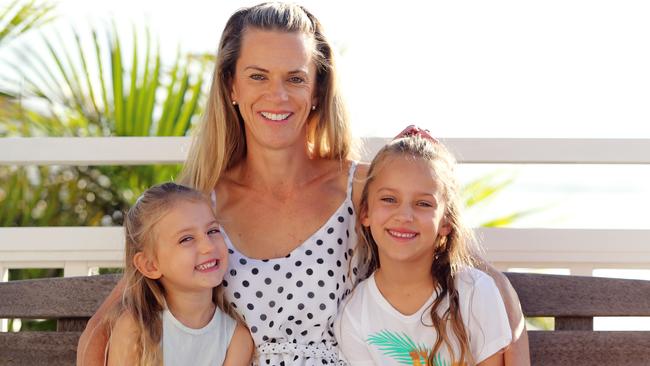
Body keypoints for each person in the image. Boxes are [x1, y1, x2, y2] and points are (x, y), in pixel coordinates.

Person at [78, 2, 529, 365]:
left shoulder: (363, 189)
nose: (278, 96)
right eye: (258, 76)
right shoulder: (202, 207)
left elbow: (481, 287)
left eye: (295, 78)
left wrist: (501, 292)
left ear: (316, 91)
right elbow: (106, 330)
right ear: (231, 86)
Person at [335, 134, 511, 365]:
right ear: (366, 212)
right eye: (389, 199)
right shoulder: (355, 314)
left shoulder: (475, 292)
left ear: (445, 222)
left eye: (423, 204)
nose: (404, 216)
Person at [103, 182, 253, 365]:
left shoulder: (236, 338)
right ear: (150, 265)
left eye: (212, 231)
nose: (208, 246)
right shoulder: (134, 330)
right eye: (187, 239)